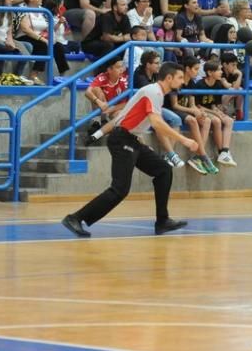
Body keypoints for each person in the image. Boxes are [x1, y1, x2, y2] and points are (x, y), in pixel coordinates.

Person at [61, 62, 193, 238]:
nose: (183, 81)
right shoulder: (153, 92)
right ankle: (75, 218)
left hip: (130, 139)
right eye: (180, 78)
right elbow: (156, 123)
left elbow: (128, 119)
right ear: (168, 78)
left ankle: (162, 221)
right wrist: (184, 139)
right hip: (122, 139)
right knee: (119, 190)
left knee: (163, 170)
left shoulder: (156, 93)